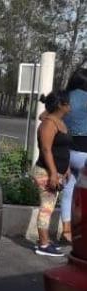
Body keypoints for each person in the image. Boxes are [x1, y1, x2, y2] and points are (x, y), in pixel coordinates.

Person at [33, 90, 71, 256]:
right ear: (60, 105)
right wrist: (54, 173)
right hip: (45, 172)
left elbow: (62, 148)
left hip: (57, 172)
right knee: (47, 208)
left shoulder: (59, 121)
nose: (70, 106)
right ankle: (43, 245)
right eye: (67, 103)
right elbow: (46, 149)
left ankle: (45, 240)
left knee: (48, 206)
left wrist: (66, 168)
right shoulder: (49, 123)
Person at [62, 68, 87, 243]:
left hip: (67, 152)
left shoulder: (64, 97)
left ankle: (66, 232)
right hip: (85, 154)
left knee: (68, 191)